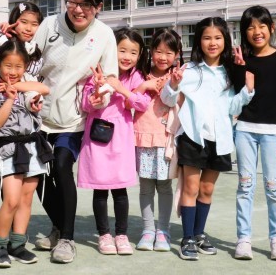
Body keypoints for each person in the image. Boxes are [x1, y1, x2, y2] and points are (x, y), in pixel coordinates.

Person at [32, 0, 118, 264]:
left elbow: (109, 77)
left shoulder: (104, 35)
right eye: (72, 2)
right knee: (39, 175)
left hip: (74, 119)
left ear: (98, 7)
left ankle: (67, 239)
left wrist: (101, 95)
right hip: (38, 116)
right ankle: (58, 227)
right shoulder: (49, 25)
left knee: (61, 166)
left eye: (86, 5)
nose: (78, 10)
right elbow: (30, 62)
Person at [161, 18, 255, 260]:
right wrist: (173, 84)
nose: (212, 43)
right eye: (206, 38)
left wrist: (247, 91)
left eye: (217, 38)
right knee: (191, 188)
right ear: (198, 42)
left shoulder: (230, 72)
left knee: (207, 189)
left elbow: (233, 107)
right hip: (193, 137)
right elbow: (168, 100)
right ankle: (188, 238)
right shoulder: (189, 70)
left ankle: (199, 234)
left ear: (225, 41)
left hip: (220, 138)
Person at [78, 28, 151, 256]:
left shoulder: (135, 77)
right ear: (111, 49)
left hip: (121, 138)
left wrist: (121, 89)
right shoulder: (97, 72)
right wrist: (97, 92)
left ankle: (121, 234)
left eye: (133, 52)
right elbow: (86, 104)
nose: (127, 57)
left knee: (120, 190)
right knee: (100, 189)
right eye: (122, 50)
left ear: (140, 55)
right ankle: (104, 235)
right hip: (97, 137)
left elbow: (142, 104)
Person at [232, 5, 276, 261]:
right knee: (245, 187)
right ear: (244, 32)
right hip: (245, 131)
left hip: (273, 133)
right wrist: (239, 67)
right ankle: (243, 240)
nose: (256, 32)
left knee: (274, 188)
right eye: (250, 28)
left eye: (261, 26)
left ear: (271, 28)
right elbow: (239, 95)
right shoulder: (242, 59)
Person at [0, 1, 44, 248]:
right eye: (23, 22)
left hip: (23, 125)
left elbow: (35, 82)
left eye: (34, 24)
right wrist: (0, 29)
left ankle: (15, 241)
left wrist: (24, 94)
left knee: (22, 196)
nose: (28, 28)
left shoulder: (34, 55)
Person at [0, 39, 51, 268]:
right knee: (11, 200)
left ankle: (18, 244)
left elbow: (45, 89)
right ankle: (0, 246)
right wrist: (10, 99)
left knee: (26, 199)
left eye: (18, 66)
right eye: (8, 66)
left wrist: (21, 90)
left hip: (32, 147)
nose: (12, 72)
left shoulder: (27, 85)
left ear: (26, 66)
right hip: (9, 148)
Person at [133, 29, 183, 252]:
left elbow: (173, 102)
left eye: (169, 52)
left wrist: (173, 84)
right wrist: (144, 86)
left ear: (177, 54)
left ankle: (163, 230)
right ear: (151, 51)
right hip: (142, 136)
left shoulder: (178, 76)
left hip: (165, 139)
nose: (163, 57)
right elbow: (131, 98)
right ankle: (148, 230)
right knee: (145, 187)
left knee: (164, 186)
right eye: (159, 51)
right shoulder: (140, 74)